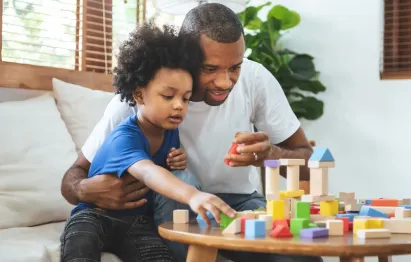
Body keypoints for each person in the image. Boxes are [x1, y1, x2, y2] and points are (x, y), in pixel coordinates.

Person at [61, 3, 321, 262]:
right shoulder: (143, 99)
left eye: (234, 67)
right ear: (187, 57)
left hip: (239, 204)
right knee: (181, 182)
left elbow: (309, 164)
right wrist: (86, 190)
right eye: (210, 69)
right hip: (176, 207)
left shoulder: (255, 79)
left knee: (303, 257)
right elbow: (74, 177)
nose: (225, 82)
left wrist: (270, 155)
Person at [59, 22, 235, 262]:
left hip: (136, 223)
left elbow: (160, 168)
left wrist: (176, 160)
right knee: (81, 248)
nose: (178, 106)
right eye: (168, 96)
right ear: (139, 94)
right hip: (94, 216)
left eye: (185, 98)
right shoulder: (125, 137)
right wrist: (192, 195)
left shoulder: (170, 129)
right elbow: (147, 171)